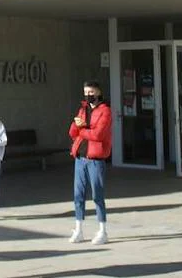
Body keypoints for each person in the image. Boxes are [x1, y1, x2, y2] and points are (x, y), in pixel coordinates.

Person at [68, 80, 113, 245]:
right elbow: (73, 132)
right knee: (78, 195)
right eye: (86, 92)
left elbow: (98, 134)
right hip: (80, 158)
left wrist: (82, 129)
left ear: (99, 92)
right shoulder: (83, 110)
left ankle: (102, 230)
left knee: (97, 195)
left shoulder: (105, 111)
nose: (88, 95)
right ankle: (78, 229)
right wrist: (77, 125)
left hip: (96, 159)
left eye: (91, 92)